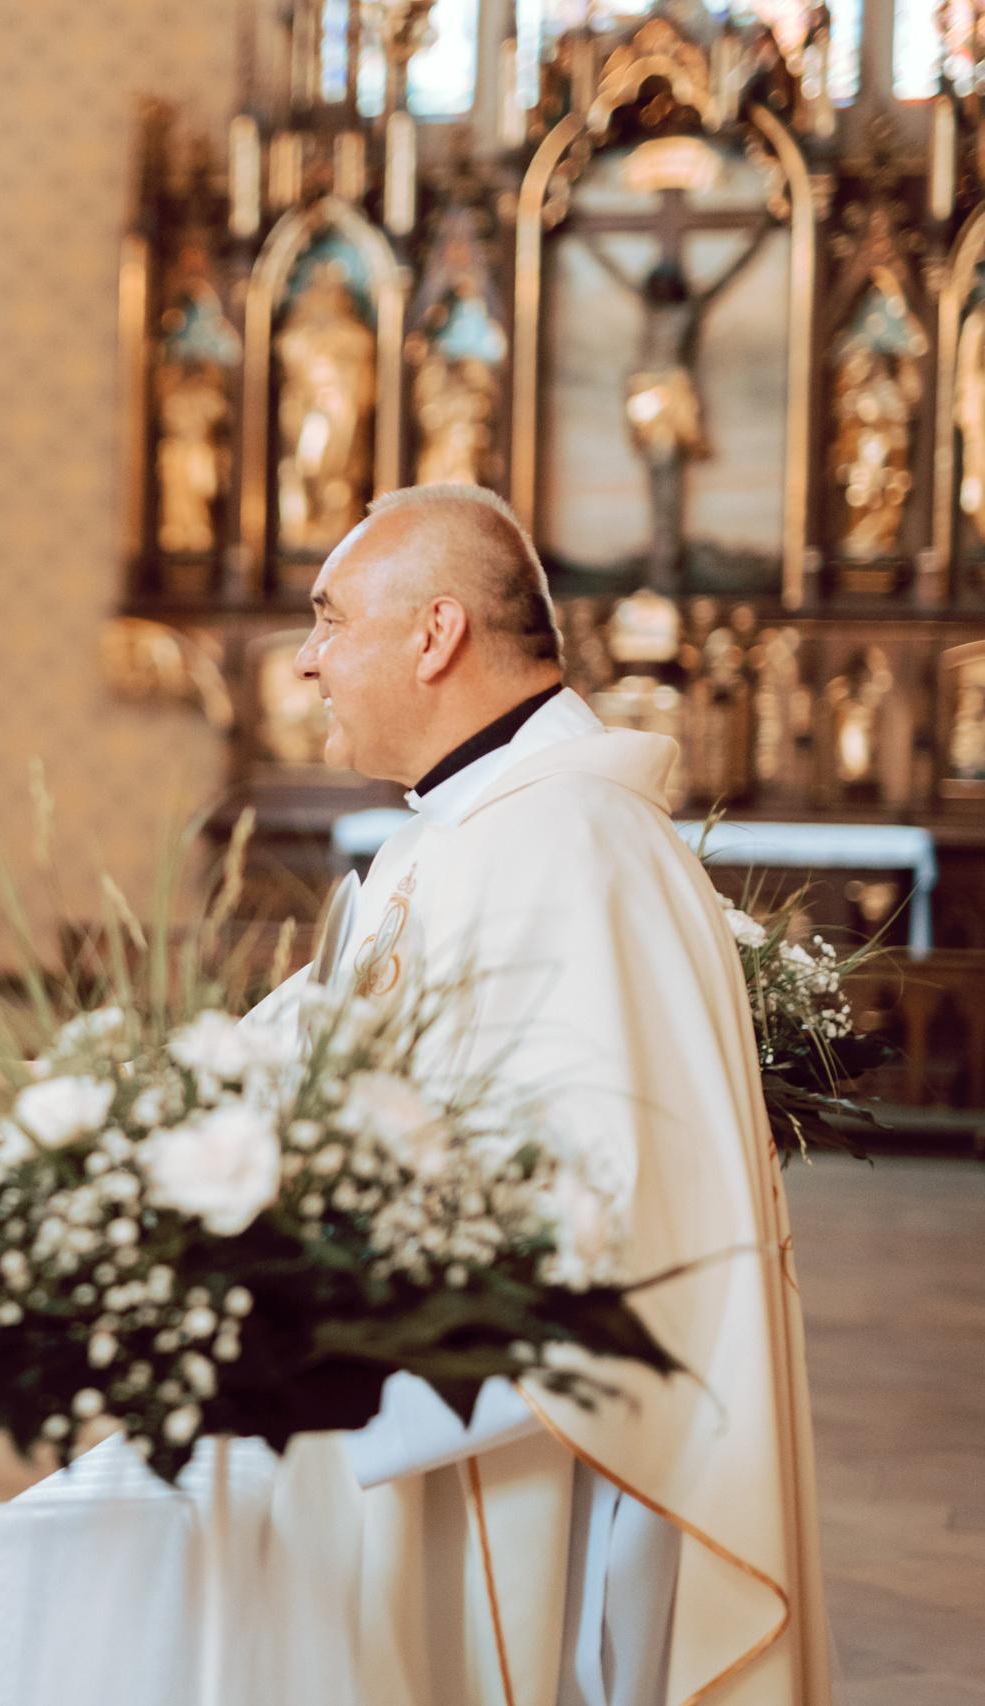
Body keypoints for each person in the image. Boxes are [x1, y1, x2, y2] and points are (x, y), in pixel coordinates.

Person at [288, 484, 828, 1704]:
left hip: (538, 1475)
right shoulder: (465, 837)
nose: (308, 658)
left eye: (327, 620)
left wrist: (294, 1369)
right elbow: (305, 1043)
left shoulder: (562, 848)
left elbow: (591, 1216)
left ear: (434, 636)